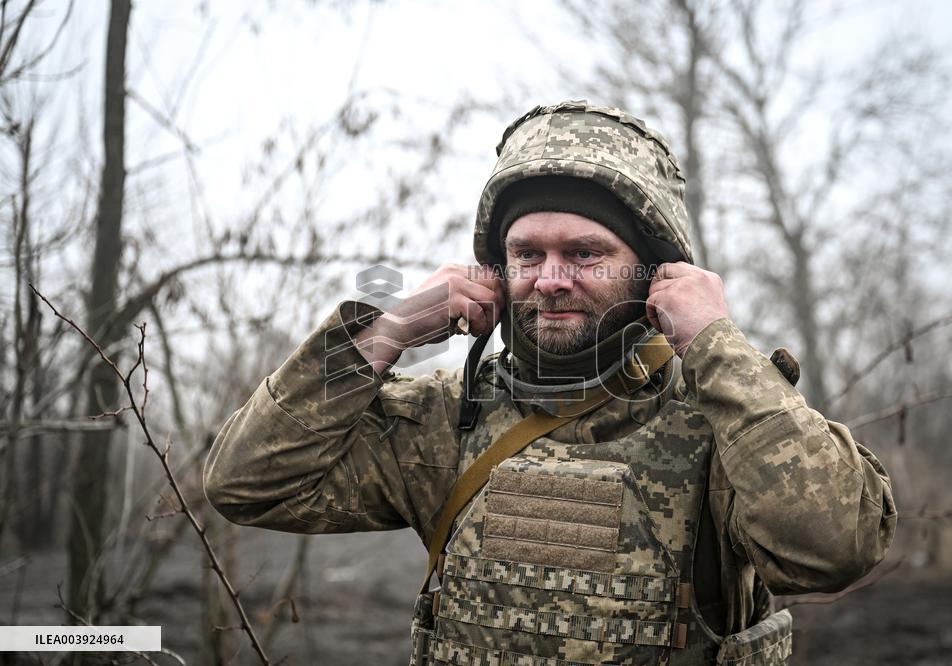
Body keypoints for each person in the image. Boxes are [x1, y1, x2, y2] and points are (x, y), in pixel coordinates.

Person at [203, 100, 896, 665]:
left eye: (586, 253)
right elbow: (245, 483)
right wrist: (387, 334)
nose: (551, 279)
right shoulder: (447, 422)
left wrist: (718, 348)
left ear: (652, 271)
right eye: (526, 253)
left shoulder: (721, 420)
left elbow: (832, 548)